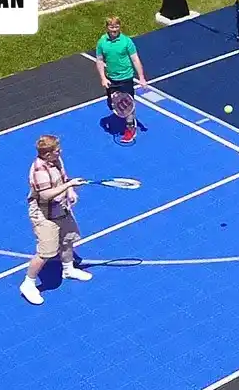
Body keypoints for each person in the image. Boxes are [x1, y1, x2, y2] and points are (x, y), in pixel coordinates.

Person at [21, 134, 93, 305]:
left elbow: (63, 176)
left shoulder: (56, 160)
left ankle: (68, 269)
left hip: (61, 208)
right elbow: (45, 195)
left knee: (68, 240)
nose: (60, 152)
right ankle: (28, 284)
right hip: (44, 215)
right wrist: (68, 186)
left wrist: (70, 192)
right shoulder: (39, 171)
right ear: (47, 154)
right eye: (56, 150)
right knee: (46, 252)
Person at [94, 16, 148, 143]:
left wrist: (141, 78)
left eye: (116, 26)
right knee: (111, 104)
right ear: (107, 27)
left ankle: (130, 128)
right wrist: (103, 78)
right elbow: (100, 60)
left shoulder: (127, 41)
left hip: (126, 79)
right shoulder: (102, 42)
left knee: (128, 105)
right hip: (111, 80)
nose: (114, 29)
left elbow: (135, 59)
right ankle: (123, 117)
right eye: (111, 27)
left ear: (120, 27)